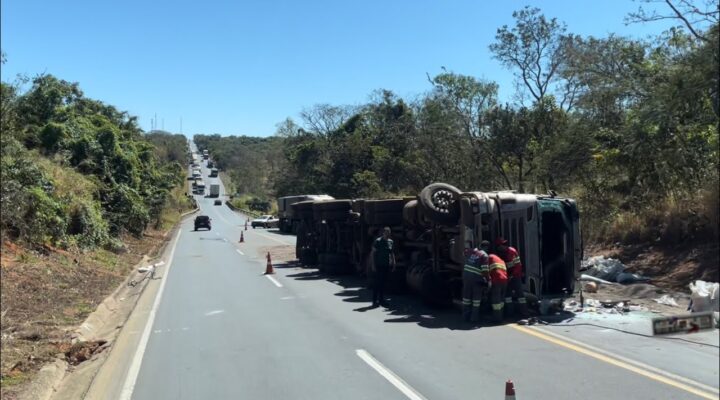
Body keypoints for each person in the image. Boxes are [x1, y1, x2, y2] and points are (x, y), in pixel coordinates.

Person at [495, 237, 527, 317]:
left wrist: (512, 276)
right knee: (507, 296)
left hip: (516, 276)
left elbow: (518, 266)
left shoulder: (512, 251)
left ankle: (524, 313)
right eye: (502, 244)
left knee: (520, 295)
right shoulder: (500, 254)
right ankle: (510, 313)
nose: (504, 246)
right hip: (507, 277)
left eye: (505, 244)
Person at [462, 241, 490, 323]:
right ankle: (474, 318)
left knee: (466, 298)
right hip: (476, 279)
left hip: (466, 277)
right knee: (476, 300)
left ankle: (465, 317)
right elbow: (485, 270)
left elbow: (464, 253)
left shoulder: (471, 251)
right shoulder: (484, 255)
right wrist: (488, 280)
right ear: (487, 248)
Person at [371, 227, 396, 307]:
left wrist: (394, 263)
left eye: (389, 233)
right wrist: (373, 265)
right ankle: (374, 300)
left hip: (386, 265)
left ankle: (381, 300)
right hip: (379, 265)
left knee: (384, 283)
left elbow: (391, 253)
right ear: (383, 233)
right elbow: (373, 254)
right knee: (377, 283)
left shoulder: (390, 242)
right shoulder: (378, 241)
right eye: (386, 233)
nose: (388, 234)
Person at [487, 250, 508, 323]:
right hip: (504, 280)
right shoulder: (501, 260)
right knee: (501, 300)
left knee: (496, 301)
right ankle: (501, 316)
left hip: (497, 281)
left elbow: (485, 270)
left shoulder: (489, 257)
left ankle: (496, 318)